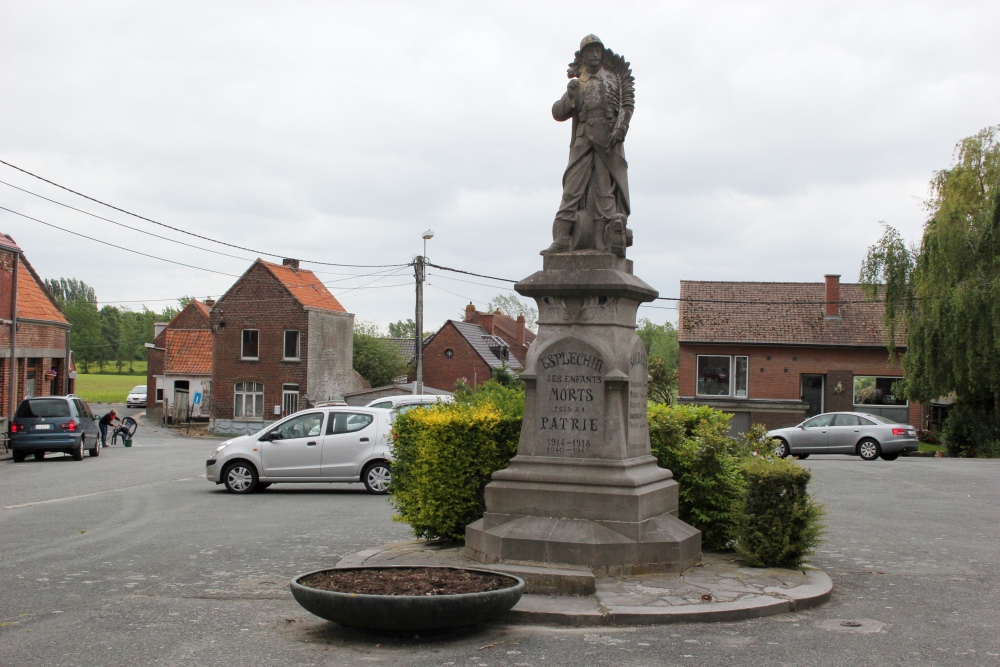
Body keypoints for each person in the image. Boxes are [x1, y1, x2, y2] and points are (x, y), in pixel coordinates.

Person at [543, 34, 634, 255]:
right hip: (583, 138)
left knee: (605, 192)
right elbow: (558, 112)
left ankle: (606, 242)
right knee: (571, 189)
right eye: (590, 51)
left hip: (607, 140)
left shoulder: (613, 78)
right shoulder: (578, 83)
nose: (594, 54)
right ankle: (562, 238)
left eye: (597, 51)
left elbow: (627, 104)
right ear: (583, 55)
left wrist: (620, 128)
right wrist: (570, 96)